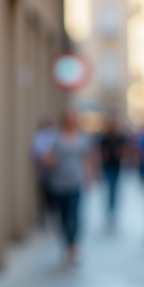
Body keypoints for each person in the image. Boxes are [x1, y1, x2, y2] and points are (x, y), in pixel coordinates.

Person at [44, 109, 94, 264]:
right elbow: (49, 157)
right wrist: (50, 161)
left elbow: (86, 159)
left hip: (75, 182)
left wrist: (89, 177)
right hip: (58, 183)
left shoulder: (82, 138)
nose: (72, 121)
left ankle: (73, 246)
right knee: (63, 215)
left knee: (74, 214)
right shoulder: (57, 138)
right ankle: (66, 243)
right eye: (69, 118)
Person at [99, 116, 128, 227]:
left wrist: (120, 152)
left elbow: (124, 151)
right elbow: (101, 152)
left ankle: (112, 212)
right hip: (107, 167)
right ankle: (109, 211)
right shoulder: (104, 138)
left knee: (114, 189)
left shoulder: (120, 138)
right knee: (110, 188)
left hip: (116, 167)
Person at [32, 119, 58, 226]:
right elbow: (37, 152)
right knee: (44, 195)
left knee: (53, 195)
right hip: (44, 172)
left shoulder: (57, 135)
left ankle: (53, 214)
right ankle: (44, 216)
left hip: (56, 173)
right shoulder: (39, 137)